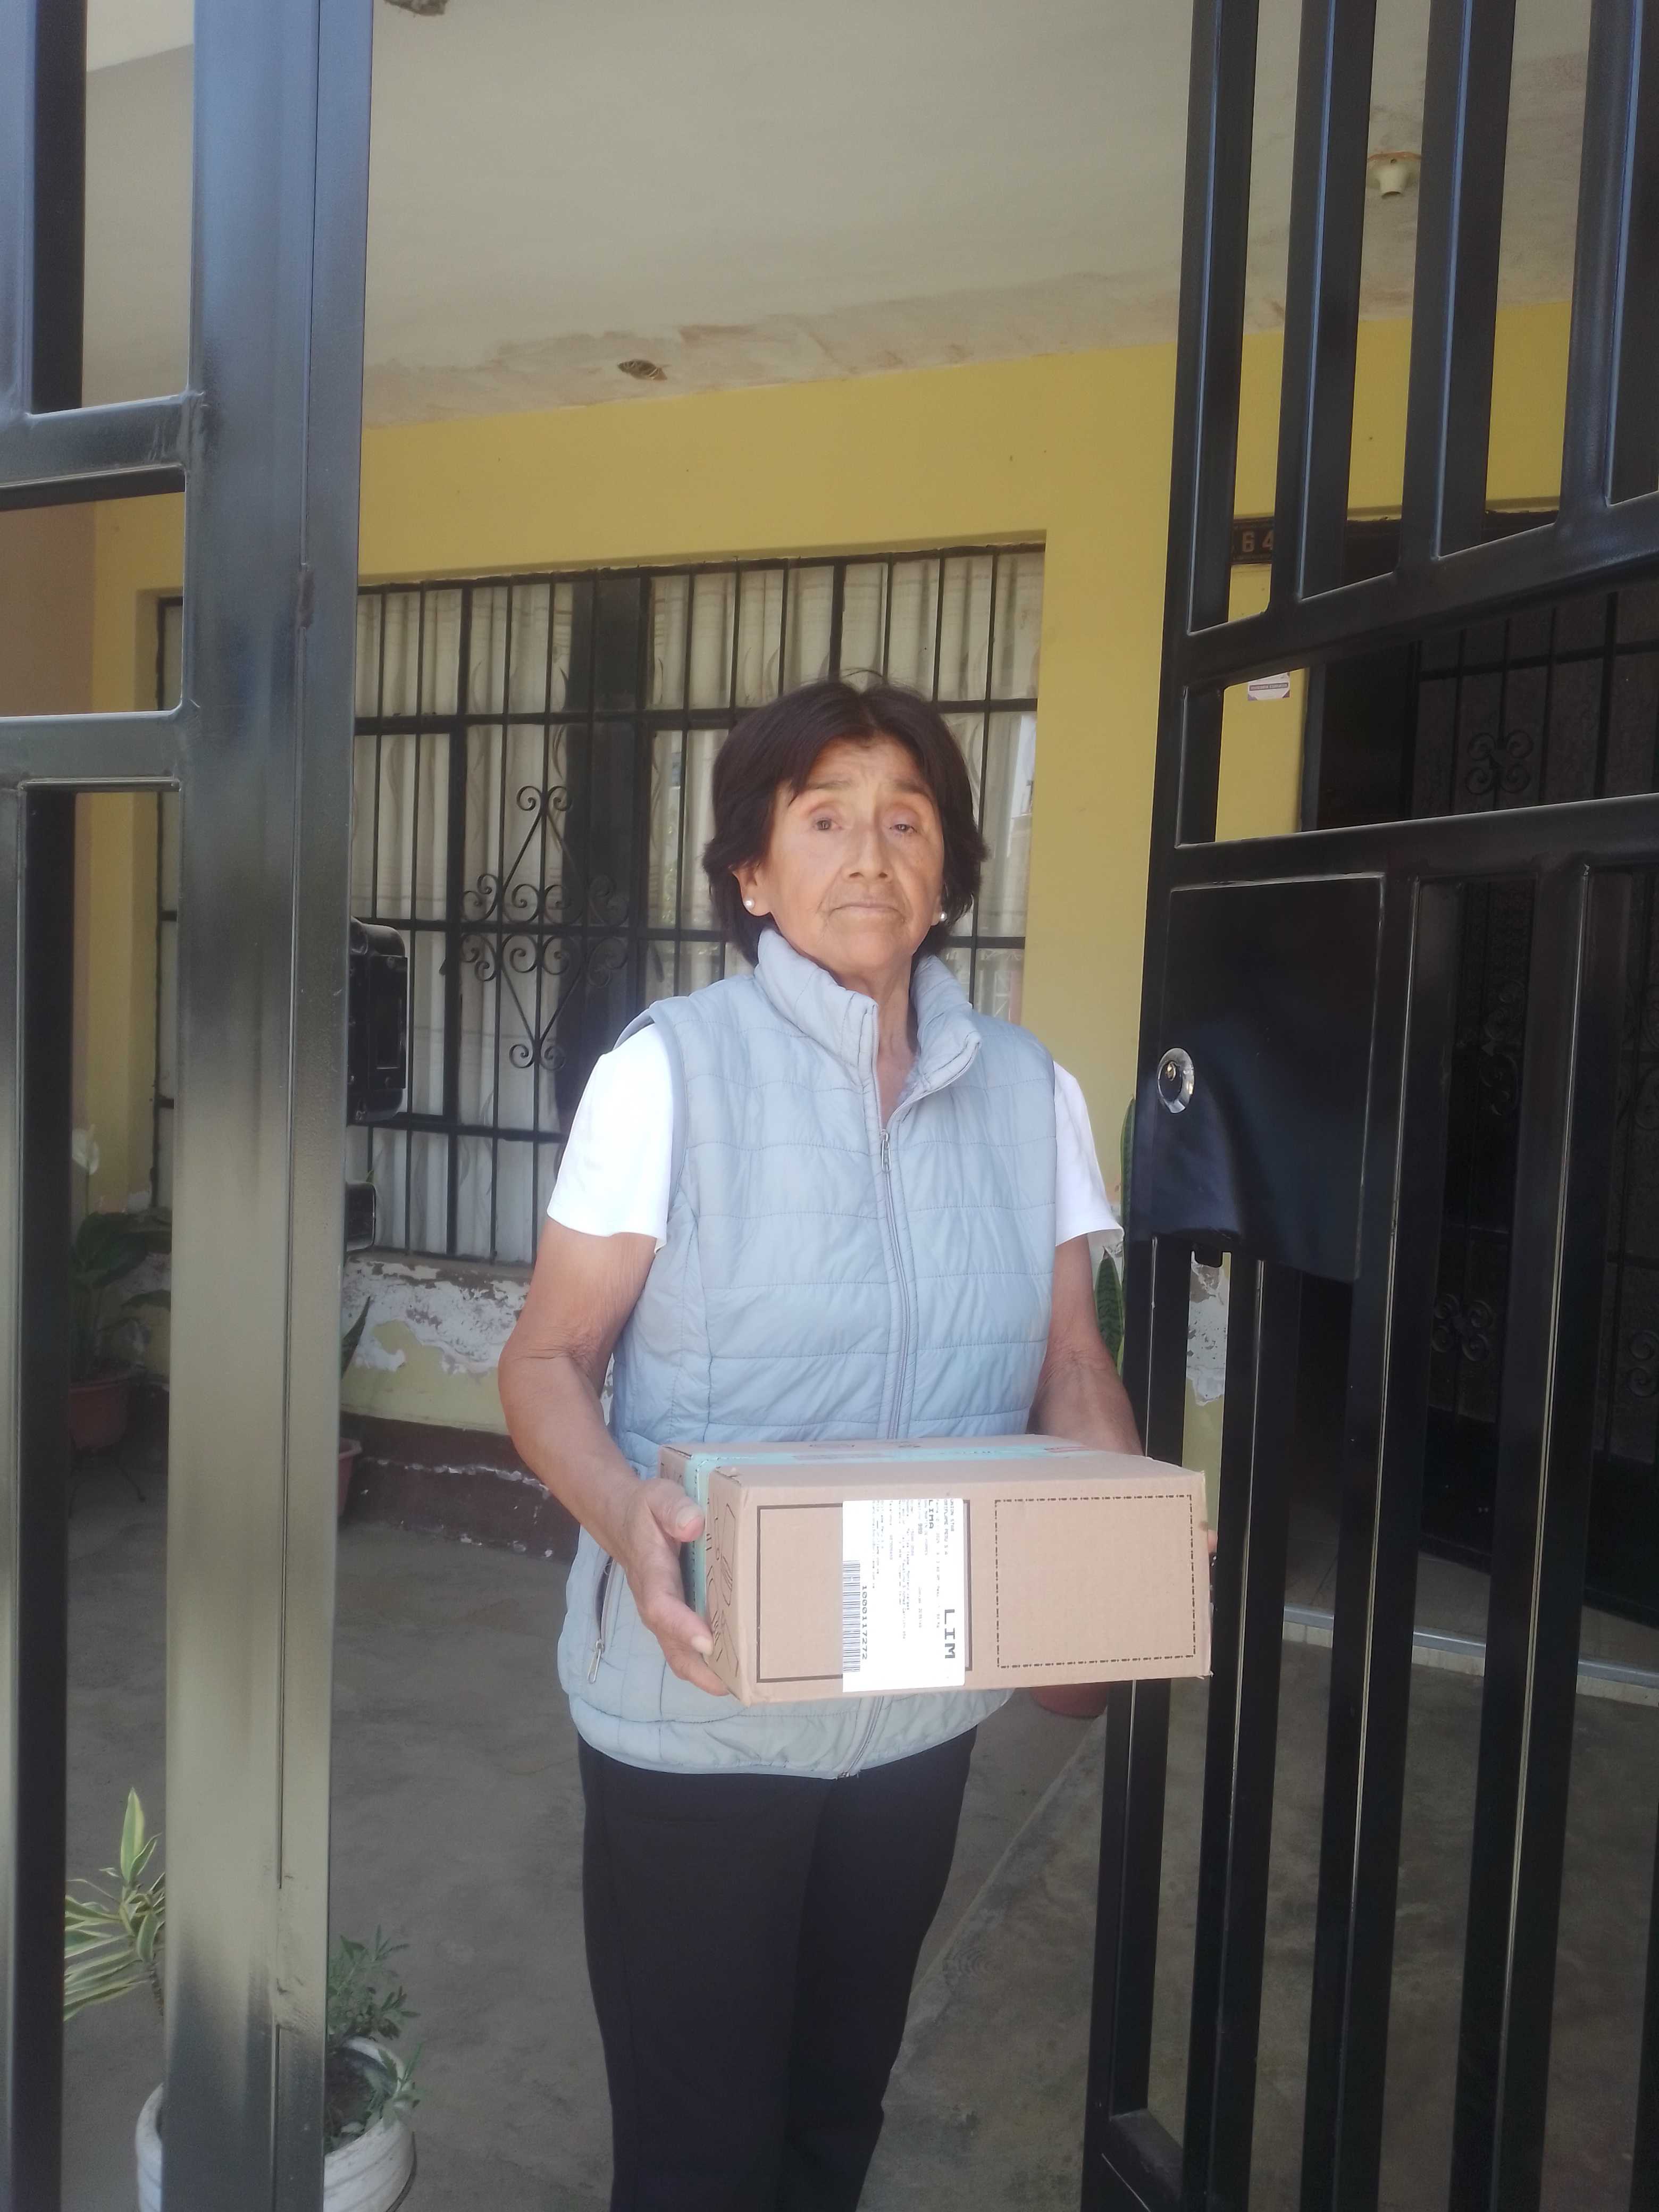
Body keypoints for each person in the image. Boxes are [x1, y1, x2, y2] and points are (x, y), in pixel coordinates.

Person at [498, 677, 1142, 2212]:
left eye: (908, 822)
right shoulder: (668, 1073)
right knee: (700, 2159)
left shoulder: (1031, 1093)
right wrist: (624, 1517)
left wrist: (1121, 1553)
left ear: (950, 869)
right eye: (826, 819)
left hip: (915, 1717)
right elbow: (546, 1363)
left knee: (834, 2120)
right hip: (700, 1715)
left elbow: (1070, 1358)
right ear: (753, 871)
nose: (871, 855)